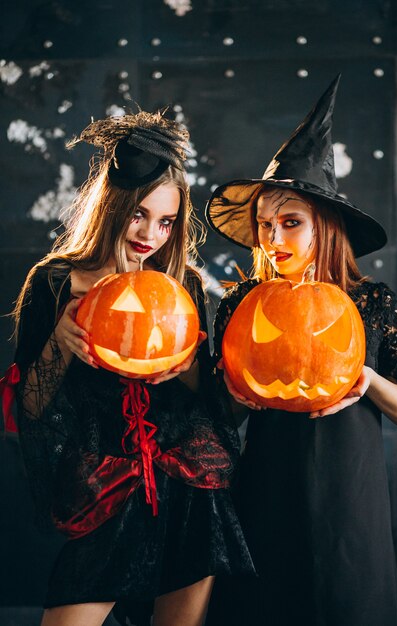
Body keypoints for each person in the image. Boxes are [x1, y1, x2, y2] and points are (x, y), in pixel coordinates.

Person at [1, 109, 254, 626]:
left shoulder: (180, 283)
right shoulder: (53, 283)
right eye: (139, 214)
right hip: (105, 489)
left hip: (187, 483)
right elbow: (28, 409)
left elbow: (210, 398)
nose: (151, 234)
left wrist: (182, 365)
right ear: (112, 206)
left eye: (165, 221)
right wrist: (61, 343)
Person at [205, 76, 397, 626]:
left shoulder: (371, 303)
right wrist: (231, 398)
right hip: (264, 493)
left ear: (325, 226)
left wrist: (367, 380)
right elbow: (208, 422)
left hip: (352, 502)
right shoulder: (241, 303)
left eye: (291, 222)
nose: (274, 238)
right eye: (265, 225)